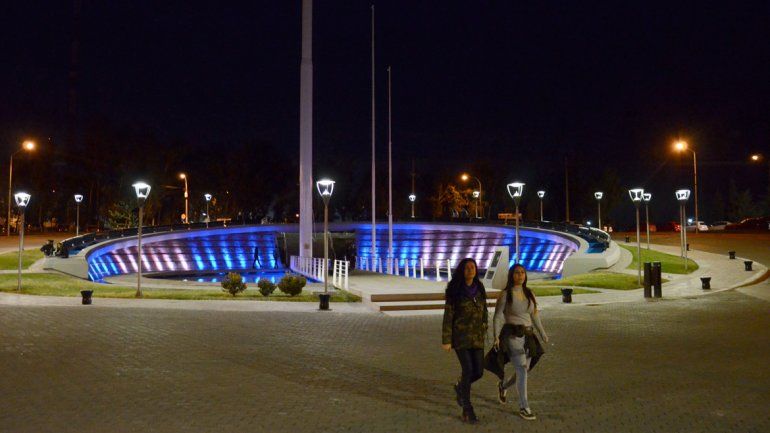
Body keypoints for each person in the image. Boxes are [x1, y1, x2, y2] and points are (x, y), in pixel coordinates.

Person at [493, 264, 549, 421]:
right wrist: (496, 336)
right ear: (512, 275)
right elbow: (497, 316)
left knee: (524, 370)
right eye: (517, 273)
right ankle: (524, 407)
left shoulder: (530, 293)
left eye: (523, 273)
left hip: (528, 336)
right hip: (512, 335)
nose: (520, 275)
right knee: (522, 369)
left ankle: (503, 387)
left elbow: (535, 315)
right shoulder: (505, 294)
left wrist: (543, 333)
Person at [442, 258, 488, 423]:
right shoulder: (455, 290)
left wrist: (484, 324)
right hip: (461, 337)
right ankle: (467, 409)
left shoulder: (479, 288)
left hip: (477, 337)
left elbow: (485, 310)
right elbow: (448, 316)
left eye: (473, 267)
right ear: (462, 270)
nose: (471, 270)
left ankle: (460, 387)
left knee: (479, 372)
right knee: (468, 370)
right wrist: (446, 340)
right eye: (467, 268)